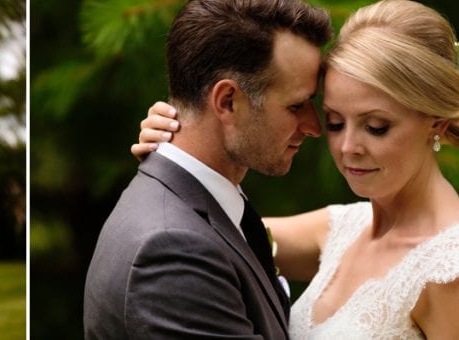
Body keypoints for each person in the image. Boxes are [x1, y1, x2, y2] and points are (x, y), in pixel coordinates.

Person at [133, 1, 459, 338]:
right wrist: (183, 143)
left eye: (376, 126)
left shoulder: (452, 272)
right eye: (335, 122)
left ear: (437, 122)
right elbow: (205, 237)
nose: (347, 148)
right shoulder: (346, 228)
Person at [83, 0, 333, 338]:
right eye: (296, 105)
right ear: (228, 101)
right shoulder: (171, 250)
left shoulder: (204, 212)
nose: (313, 126)